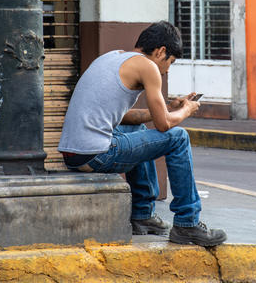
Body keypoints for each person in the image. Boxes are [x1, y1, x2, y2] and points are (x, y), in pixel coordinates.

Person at [58, 21, 227, 247]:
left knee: (136, 130)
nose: (167, 70)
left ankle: (142, 215)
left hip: (74, 154)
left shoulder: (112, 57)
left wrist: (168, 107)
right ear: (161, 52)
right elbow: (165, 125)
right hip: (96, 154)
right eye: (171, 62)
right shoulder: (148, 67)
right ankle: (187, 224)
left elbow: (125, 118)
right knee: (179, 137)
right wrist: (186, 110)